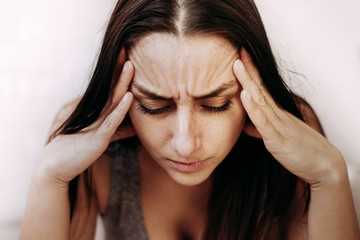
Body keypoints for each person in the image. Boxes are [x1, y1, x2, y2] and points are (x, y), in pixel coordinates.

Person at [20, 0, 360, 239]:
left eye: (215, 104)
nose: (185, 143)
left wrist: (329, 175)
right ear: (119, 81)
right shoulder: (90, 145)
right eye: (154, 105)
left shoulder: (291, 132)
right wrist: (49, 176)